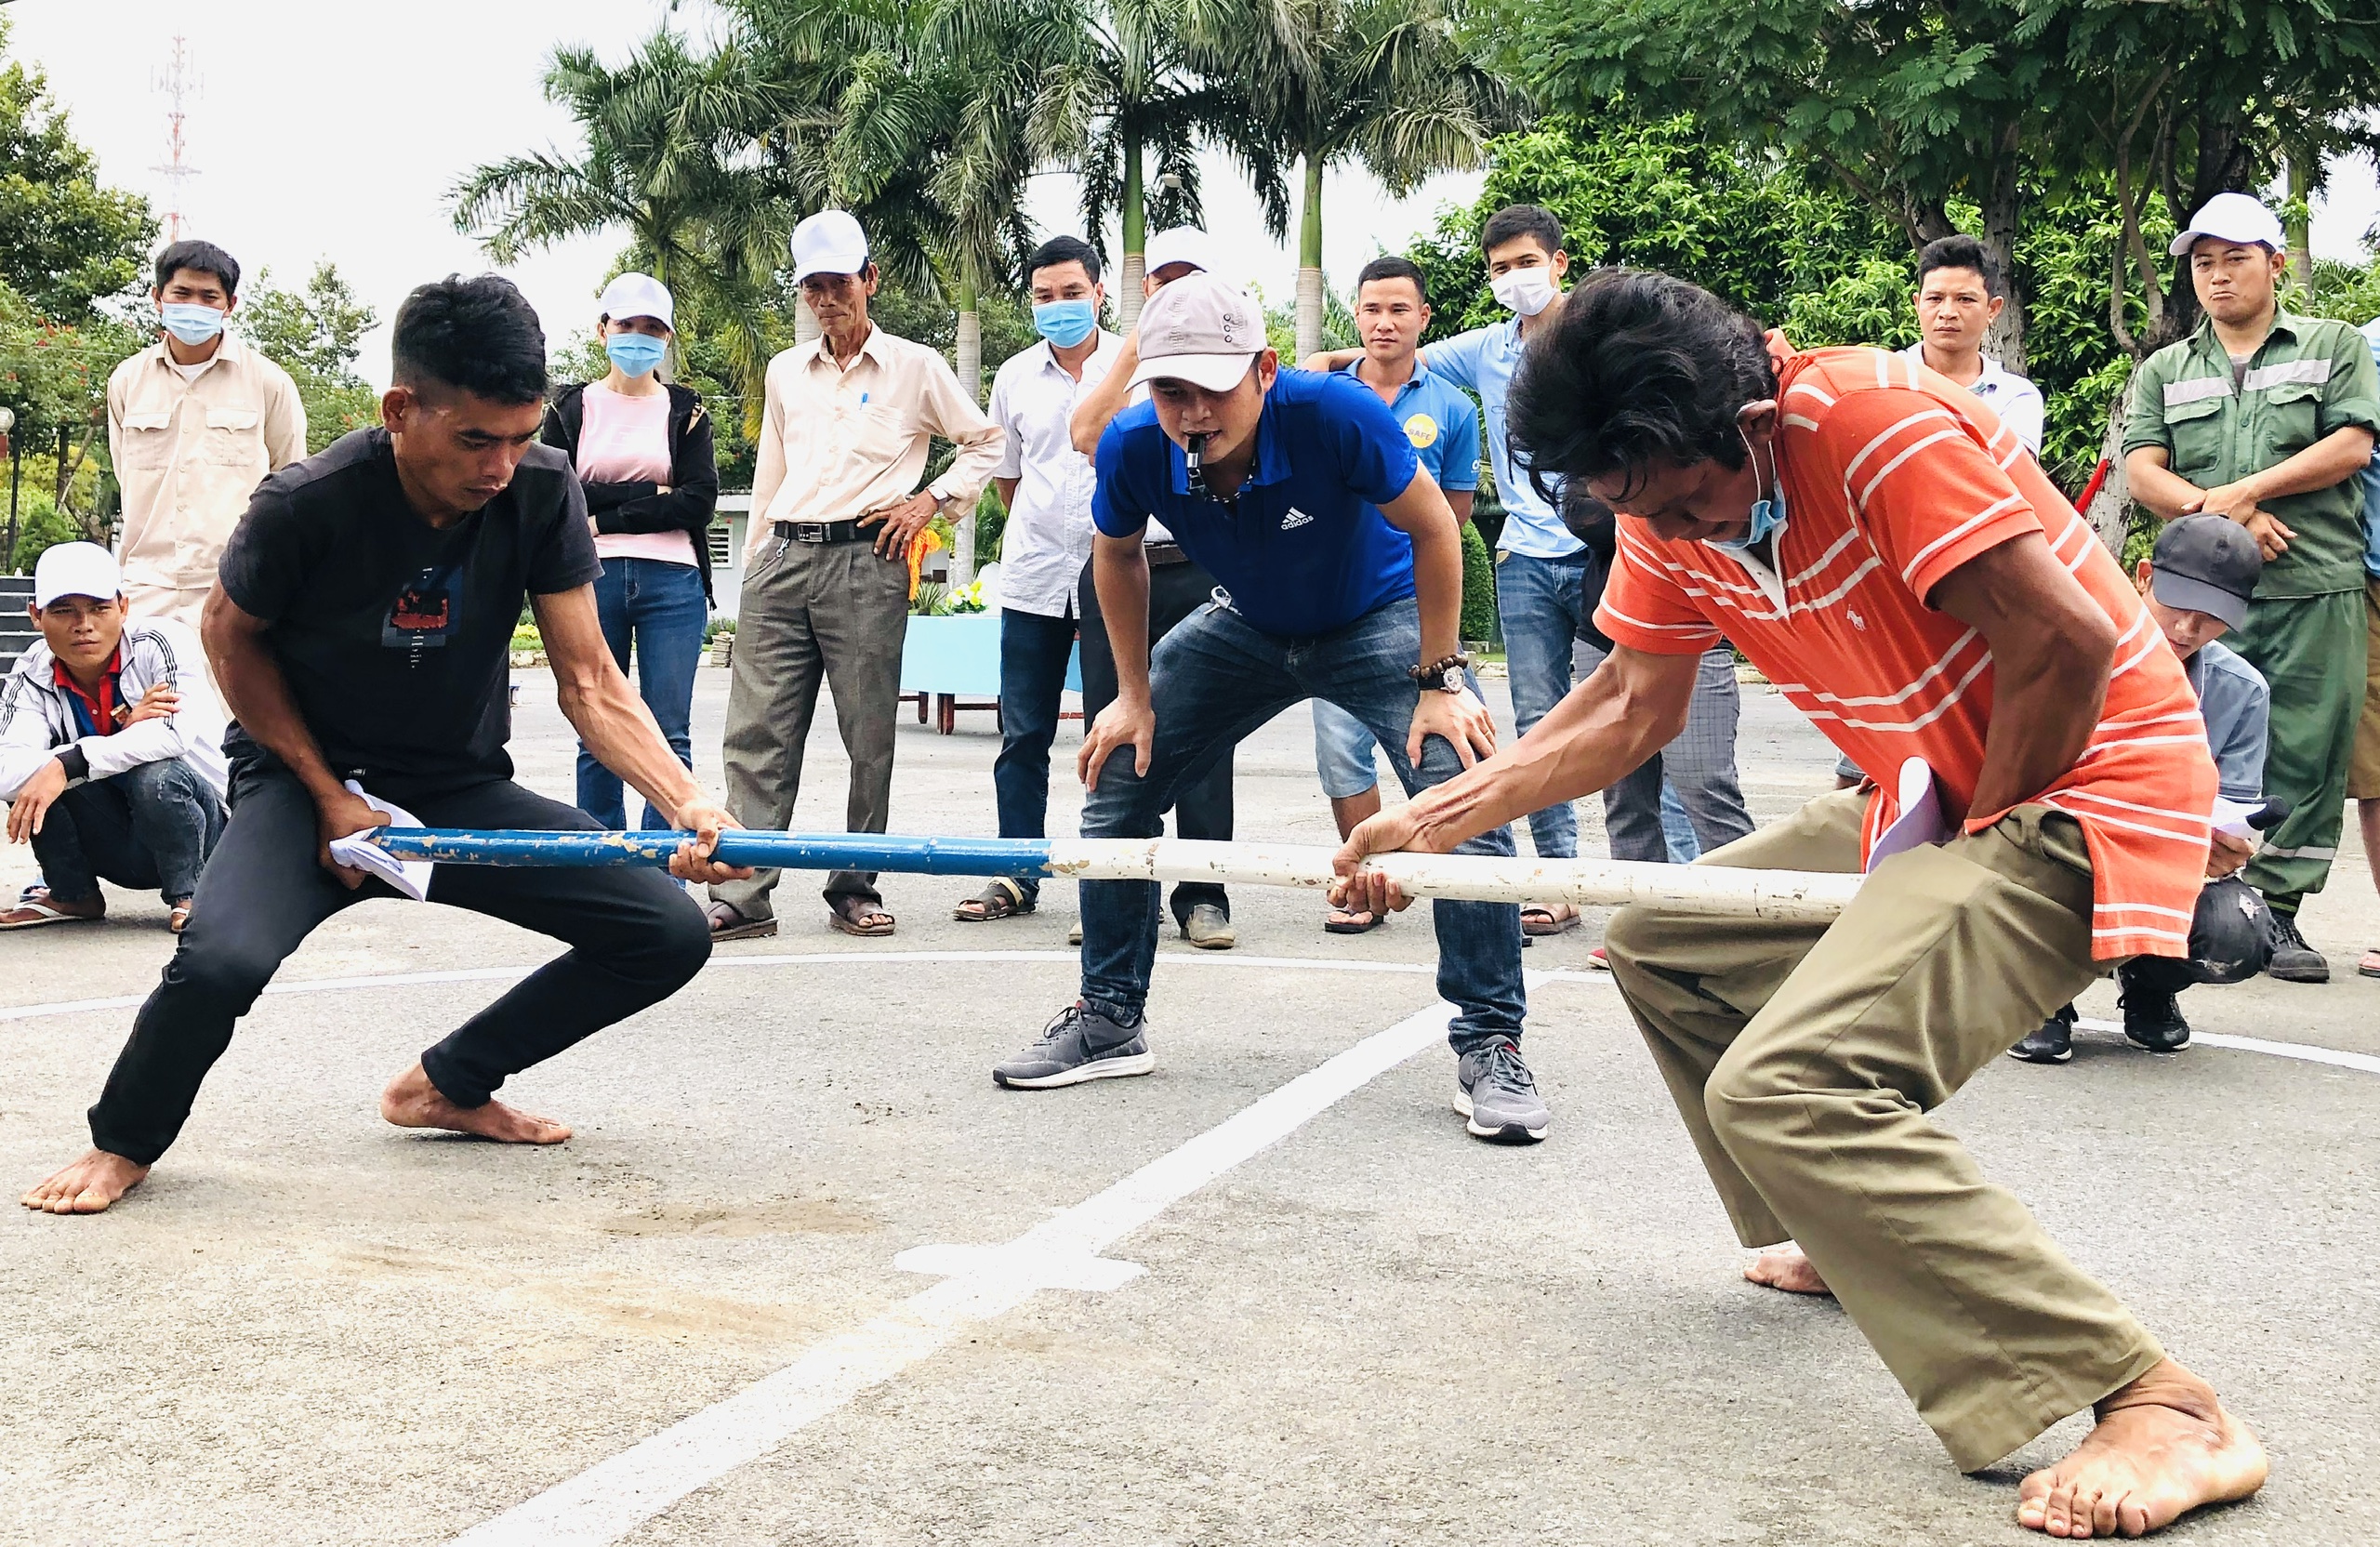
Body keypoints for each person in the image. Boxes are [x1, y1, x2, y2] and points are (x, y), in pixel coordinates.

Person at [1335, 269, 2266, 1534]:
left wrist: (1963, 845)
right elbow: (1628, 706)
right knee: (1666, 941)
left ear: (1747, 417)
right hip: (1933, 781)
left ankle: (2157, 1401)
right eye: (1641, 511)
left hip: (2080, 784)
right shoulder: (1666, 499)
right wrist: (1435, 818)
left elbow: (2068, 645)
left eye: (1688, 502)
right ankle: (1840, 1227)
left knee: (1785, 1085)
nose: (1684, 532)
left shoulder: (1873, 429)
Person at [18, 274, 747, 1218]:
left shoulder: (538, 488)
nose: (500, 463)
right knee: (219, 958)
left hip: (454, 784)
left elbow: (591, 680)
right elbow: (227, 637)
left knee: (665, 931)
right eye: (475, 438)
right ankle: (122, 1140)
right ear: (400, 409)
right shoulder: (308, 501)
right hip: (299, 779)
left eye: (521, 436)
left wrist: (686, 798)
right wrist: (325, 791)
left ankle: (449, 1082)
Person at [993, 274, 1547, 1146]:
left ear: (1263, 369)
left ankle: (1490, 1041)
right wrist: (1132, 698)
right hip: (1244, 624)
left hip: (1378, 620)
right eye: (1171, 391)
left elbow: (1438, 528)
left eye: (1212, 390)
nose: (1192, 414)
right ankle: (1108, 1016)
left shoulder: (1337, 414)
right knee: (1117, 780)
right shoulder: (1138, 442)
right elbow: (1117, 557)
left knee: (1464, 786)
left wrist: (1442, 678)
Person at [709, 211, 1002, 942]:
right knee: (757, 732)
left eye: (840, 281)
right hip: (783, 558)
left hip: (866, 560)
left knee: (867, 733)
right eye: (813, 285)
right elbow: (773, 469)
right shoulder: (785, 371)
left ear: (871, 279)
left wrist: (931, 502)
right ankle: (745, 896)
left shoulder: (917, 366)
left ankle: (854, 884)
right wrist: (756, 564)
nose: (827, 298)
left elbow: (985, 443)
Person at [1307, 205, 1588, 939]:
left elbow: (1451, 512)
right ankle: (1554, 881)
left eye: (1526, 263)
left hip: (1611, 550)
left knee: (1649, 723)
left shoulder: (1600, 334)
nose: (1513, 280)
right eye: (1499, 269)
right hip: (1525, 557)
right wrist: (1328, 364)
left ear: (1559, 263)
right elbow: (1390, 352)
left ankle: (1672, 893)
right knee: (1537, 726)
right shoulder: (1486, 351)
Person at [2123, 192, 2380, 984]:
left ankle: (2280, 917)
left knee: (2308, 752)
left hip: (2313, 584)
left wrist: (2249, 492)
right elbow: (2142, 469)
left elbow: (2352, 443)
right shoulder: (2167, 366)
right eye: (2203, 263)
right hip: (2197, 595)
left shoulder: (2335, 344)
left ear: (2274, 263)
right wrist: (2222, 513)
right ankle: (2177, 908)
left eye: (2236, 258)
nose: (2218, 276)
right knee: (2186, 744)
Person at [2010, 514, 2270, 1062]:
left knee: (2235, 930)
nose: (2186, 630)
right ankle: (2037, 995)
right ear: (2143, 576)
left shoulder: (2241, 691)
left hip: (2166, 860)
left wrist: (2228, 847)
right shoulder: (2066, 649)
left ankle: (2151, 986)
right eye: (2177, 607)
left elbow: (2235, 810)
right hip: (2057, 843)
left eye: (2211, 619)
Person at [1062, 226, 1240, 948]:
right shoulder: (1115, 358)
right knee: (1114, 728)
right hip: (1120, 568)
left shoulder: (1237, 355)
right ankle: (1114, 895)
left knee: (1205, 734)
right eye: (1161, 281)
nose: (1173, 290)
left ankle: (1203, 894)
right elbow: (1085, 434)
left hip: (1202, 567)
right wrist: (1142, 345)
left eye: (1188, 278)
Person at [1313, 256, 1480, 934]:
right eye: (1373, 310)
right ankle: (1365, 884)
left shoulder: (1452, 407)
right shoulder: (1321, 394)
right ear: (1356, 314)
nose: (1385, 323)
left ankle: (1437, 876)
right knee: (1338, 749)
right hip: (1331, 600)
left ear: (1423, 319)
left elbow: (1456, 515)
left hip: (1414, 605)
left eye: (1400, 310)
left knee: (1443, 745)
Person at [954, 236, 1117, 924]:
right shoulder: (1014, 376)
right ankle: (1015, 875)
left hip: (1118, 575)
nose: (1058, 307)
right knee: (1023, 734)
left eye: (1071, 293)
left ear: (1100, 293)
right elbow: (1009, 479)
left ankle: (1112, 883)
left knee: (1118, 733)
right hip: (1034, 577)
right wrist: (1043, 535)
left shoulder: (1131, 367)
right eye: (1044, 296)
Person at [541, 272, 721, 831]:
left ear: (667, 337)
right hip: (589, 578)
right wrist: (651, 493)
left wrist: (605, 513)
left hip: (674, 581)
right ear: (602, 330)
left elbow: (697, 502)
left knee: (670, 732)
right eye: (627, 325)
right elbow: (554, 492)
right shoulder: (570, 409)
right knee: (599, 727)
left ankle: (665, 865)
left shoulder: (685, 410)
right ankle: (602, 862)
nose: (638, 338)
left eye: (652, 329)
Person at [0, 543, 226, 934]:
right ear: (36, 615)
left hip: (206, 833)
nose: (83, 624)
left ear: (123, 607)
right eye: (63, 610)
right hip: (119, 844)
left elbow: (173, 736)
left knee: (157, 774)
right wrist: (121, 733)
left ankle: (193, 894)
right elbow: (6, 766)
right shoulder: (31, 672)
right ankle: (72, 893)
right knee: (35, 781)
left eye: (99, 608)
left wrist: (68, 761)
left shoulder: (162, 642)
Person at [106, 239, 307, 633]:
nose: (194, 306)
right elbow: (123, 472)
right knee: (150, 695)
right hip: (146, 586)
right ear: (158, 298)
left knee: (227, 697)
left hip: (237, 586)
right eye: (181, 293)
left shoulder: (268, 383)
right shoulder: (127, 382)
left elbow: (291, 483)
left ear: (230, 305)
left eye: (208, 296)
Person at [1904, 234, 2046, 453]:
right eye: (1935, 299)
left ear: (1993, 309)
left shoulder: (2015, 397)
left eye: (1965, 300)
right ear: (1917, 304)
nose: (1947, 313)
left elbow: (2011, 475)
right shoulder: (1884, 379)